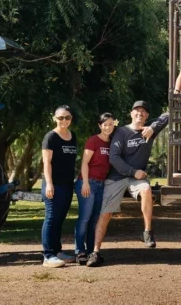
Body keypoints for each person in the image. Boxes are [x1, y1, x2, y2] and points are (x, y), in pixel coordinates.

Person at [92, 101, 170, 263]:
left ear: (147, 116)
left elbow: (168, 115)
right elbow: (114, 158)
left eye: (143, 112)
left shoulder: (149, 132)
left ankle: (147, 232)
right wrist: (134, 171)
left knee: (146, 189)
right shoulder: (121, 132)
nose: (140, 114)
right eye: (136, 111)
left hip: (136, 180)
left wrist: (153, 128)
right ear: (131, 113)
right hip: (116, 177)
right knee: (105, 214)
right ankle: (95, 252)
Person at [75, 113, 116, 266]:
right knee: (84, 219)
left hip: (101, 185)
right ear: (100, 126)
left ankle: (93, 252)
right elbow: (85, 163)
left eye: (110, 124)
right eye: (105, 124)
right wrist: (85, 183)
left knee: (95, 220)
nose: (108, 127)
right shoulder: (93, 141)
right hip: (88, 184)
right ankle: (79, 251)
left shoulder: (112, 143)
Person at [40, 105, 78, 268]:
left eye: (67, 117)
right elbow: (46, 163)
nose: (64, 120)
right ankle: (48, 255)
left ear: (71, 119)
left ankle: (57, 251)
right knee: (51, 218)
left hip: (67, 184)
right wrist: (49, 184)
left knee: (60, 219)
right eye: (60, 117)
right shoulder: (51, 137)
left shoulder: (73, 136)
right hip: (53, 185)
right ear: (54, 118)